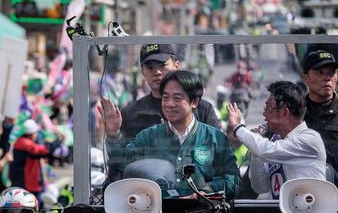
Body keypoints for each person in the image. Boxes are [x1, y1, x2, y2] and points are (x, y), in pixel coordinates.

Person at [101, 70, 239, 198]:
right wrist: (113, 135)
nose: (169, 104)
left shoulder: (216, 138)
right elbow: (122, 162)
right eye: (165, 98)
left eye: (177, 98)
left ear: (195, 102)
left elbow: (233, 180)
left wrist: (206, 191)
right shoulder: (149, 136)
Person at [227, 81, 327, 199]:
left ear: (284, 112)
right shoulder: (275, 142)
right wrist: (255, 152)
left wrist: (237, 127)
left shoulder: (309, 139)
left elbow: (265, 150)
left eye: (268, 108)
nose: (264, 114)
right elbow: (260, 187)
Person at [116, 44, 220, 140]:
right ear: (143, 72)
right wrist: (113, 135)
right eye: (150, 68)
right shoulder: (131, 114)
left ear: (177, 66)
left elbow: (218, 148)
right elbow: (122, 156)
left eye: (162, 65)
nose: (157, 72)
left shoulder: (202, 109)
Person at [301, 50, 338, 183]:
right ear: (305, 78)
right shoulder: (294, 113)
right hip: (303, 192)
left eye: (331, 73)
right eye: (320, 72)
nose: (327, 78)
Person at [10, 119, 51, 204]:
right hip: (25, 183)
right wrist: (53, 144)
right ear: (31, 133)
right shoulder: (24, 143)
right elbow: (42, 150)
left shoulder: (22, 141)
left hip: (30, 182)